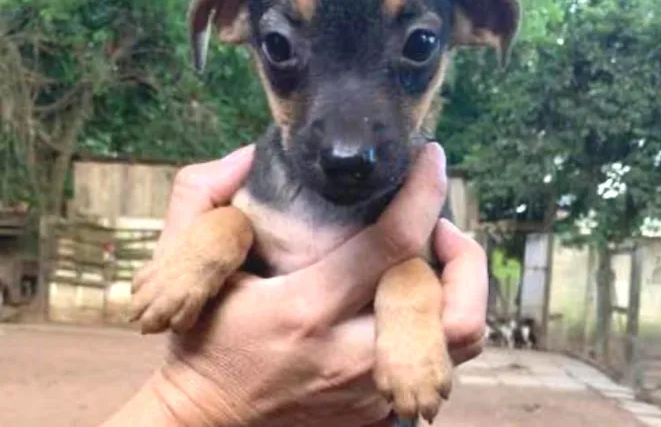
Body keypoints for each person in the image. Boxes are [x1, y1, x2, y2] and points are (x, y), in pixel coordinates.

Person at [103, 143, 488, 427]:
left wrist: (414, 301)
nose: (346, 142)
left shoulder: (414, 195)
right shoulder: (259, 188)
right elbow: (241, 226)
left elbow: (423, 272)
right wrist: (217, 238)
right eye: (284, 58)